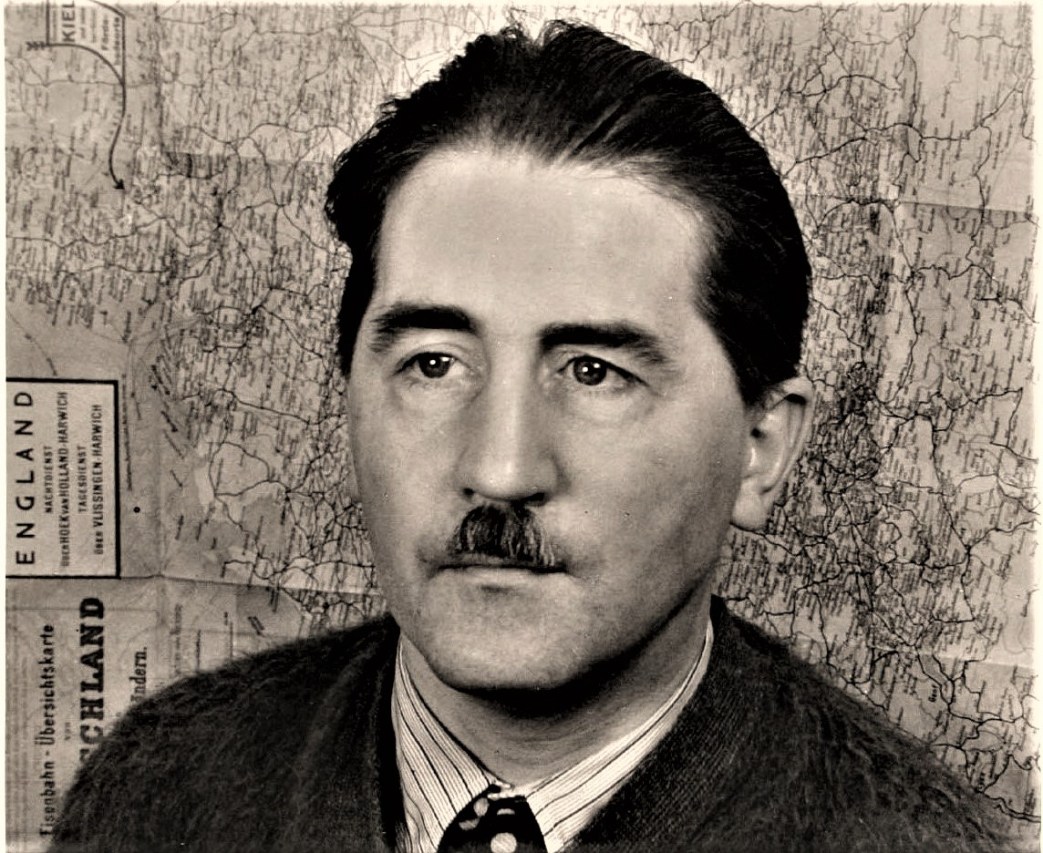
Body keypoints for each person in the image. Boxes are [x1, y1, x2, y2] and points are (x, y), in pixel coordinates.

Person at [52, 21, 1006, 853]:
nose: (500, 469)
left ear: (760, 448)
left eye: (594, 372)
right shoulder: (158, 787)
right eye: (434, 363)